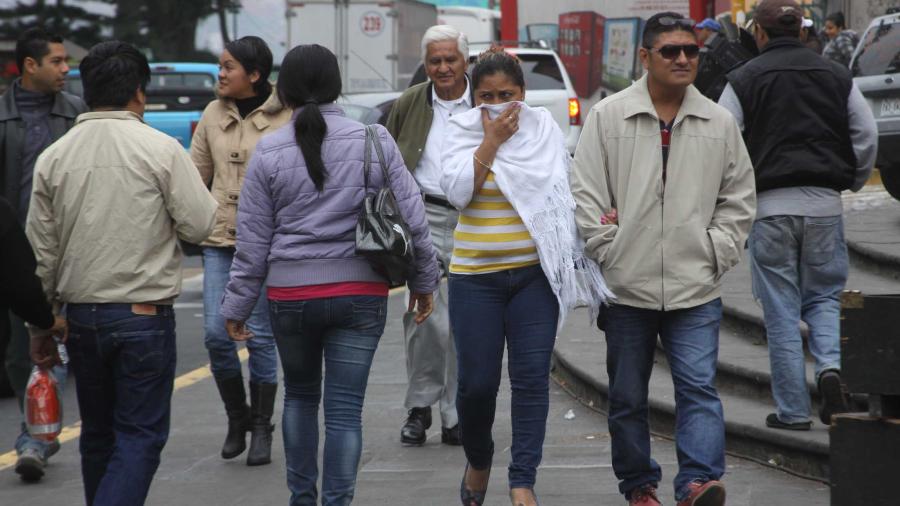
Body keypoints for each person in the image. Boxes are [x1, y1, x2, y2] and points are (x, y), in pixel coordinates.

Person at [220, 44, 438, 505]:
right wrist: (424, 283)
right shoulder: (374, 140)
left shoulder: (268, 151)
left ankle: (303, 499)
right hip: (360, 293)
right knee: (344, 413)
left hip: (289, 296)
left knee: (299, 398)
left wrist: (236, 305)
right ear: (337, 86)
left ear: (284, 90)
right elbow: (414, 219)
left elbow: (252, 243)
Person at [571, 12, 756, 506]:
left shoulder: (718, 121)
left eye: (691, 51)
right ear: (645, 57)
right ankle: (638, 486)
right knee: (628, 397)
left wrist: (717, 249)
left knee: (698, 389)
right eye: (670, 50)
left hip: (695, 285)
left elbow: (739, 197)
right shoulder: (608, 117)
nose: (682, 59)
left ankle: (697, 481)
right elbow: (585, 194)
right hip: (626, 286)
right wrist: (609, 249)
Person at [26, 41, 217, 505]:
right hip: (143, 315)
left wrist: (41, 324)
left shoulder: (54, 156)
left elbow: (42, 253)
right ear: (138, 92)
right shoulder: (161, 149)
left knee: (97, 436)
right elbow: (200, 222)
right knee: (139, 436)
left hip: (81, 317)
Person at [441, 47, 610, 506]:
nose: (498, 104)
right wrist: (490, 141)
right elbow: (458, 194)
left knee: (532, 378)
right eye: (487, 96)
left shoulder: (543, 129)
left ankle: (522, 481)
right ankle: (479, 459)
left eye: (507, 95)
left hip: (535, 279)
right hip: (475, 278)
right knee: (476, 385)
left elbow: (563, 191)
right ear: (473, 98)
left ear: (524, 93)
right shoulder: (458, 132)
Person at [719, 0, 877, 431]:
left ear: (760, 33)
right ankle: (830, 369)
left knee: (781, 311)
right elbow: (865, 134)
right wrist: (853, 180)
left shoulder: (743, 79)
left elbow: (723, 142)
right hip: (824, 204)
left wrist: (733, 197)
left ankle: (792, 411)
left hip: (769, 208)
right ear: (804, 31)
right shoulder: (837, 75)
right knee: (825, 297)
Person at [190, 35, 291, 466]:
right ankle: (238, 417)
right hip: (219, 242)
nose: (221, 73)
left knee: (261, 338)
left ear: (253, 74)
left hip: (266, 245)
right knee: (216, 334)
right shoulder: (213, 113)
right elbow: (196, 176)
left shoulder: (288, 115)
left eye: (229, 66)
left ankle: (263, 427)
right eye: (221, 65)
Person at [0, 26, 86, 482]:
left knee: (71, 343)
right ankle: (35, 433)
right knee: (23, 349)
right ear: (29, 66)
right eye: (57, 61)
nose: (65, 69)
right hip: (17, 255)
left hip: (72, 248)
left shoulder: (77, 113)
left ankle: (42, 434)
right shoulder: (1, 116)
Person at [385, 24, 472, 447]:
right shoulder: (409, 102)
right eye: (434, 60)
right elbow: (390, 161)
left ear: (465, 61)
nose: (442, 68)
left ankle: (455, 415)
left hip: (474, 221)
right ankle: (419, 408)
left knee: (462, 321)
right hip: (422, 218)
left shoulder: (484, 99)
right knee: (424, 317)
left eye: (450, 59)